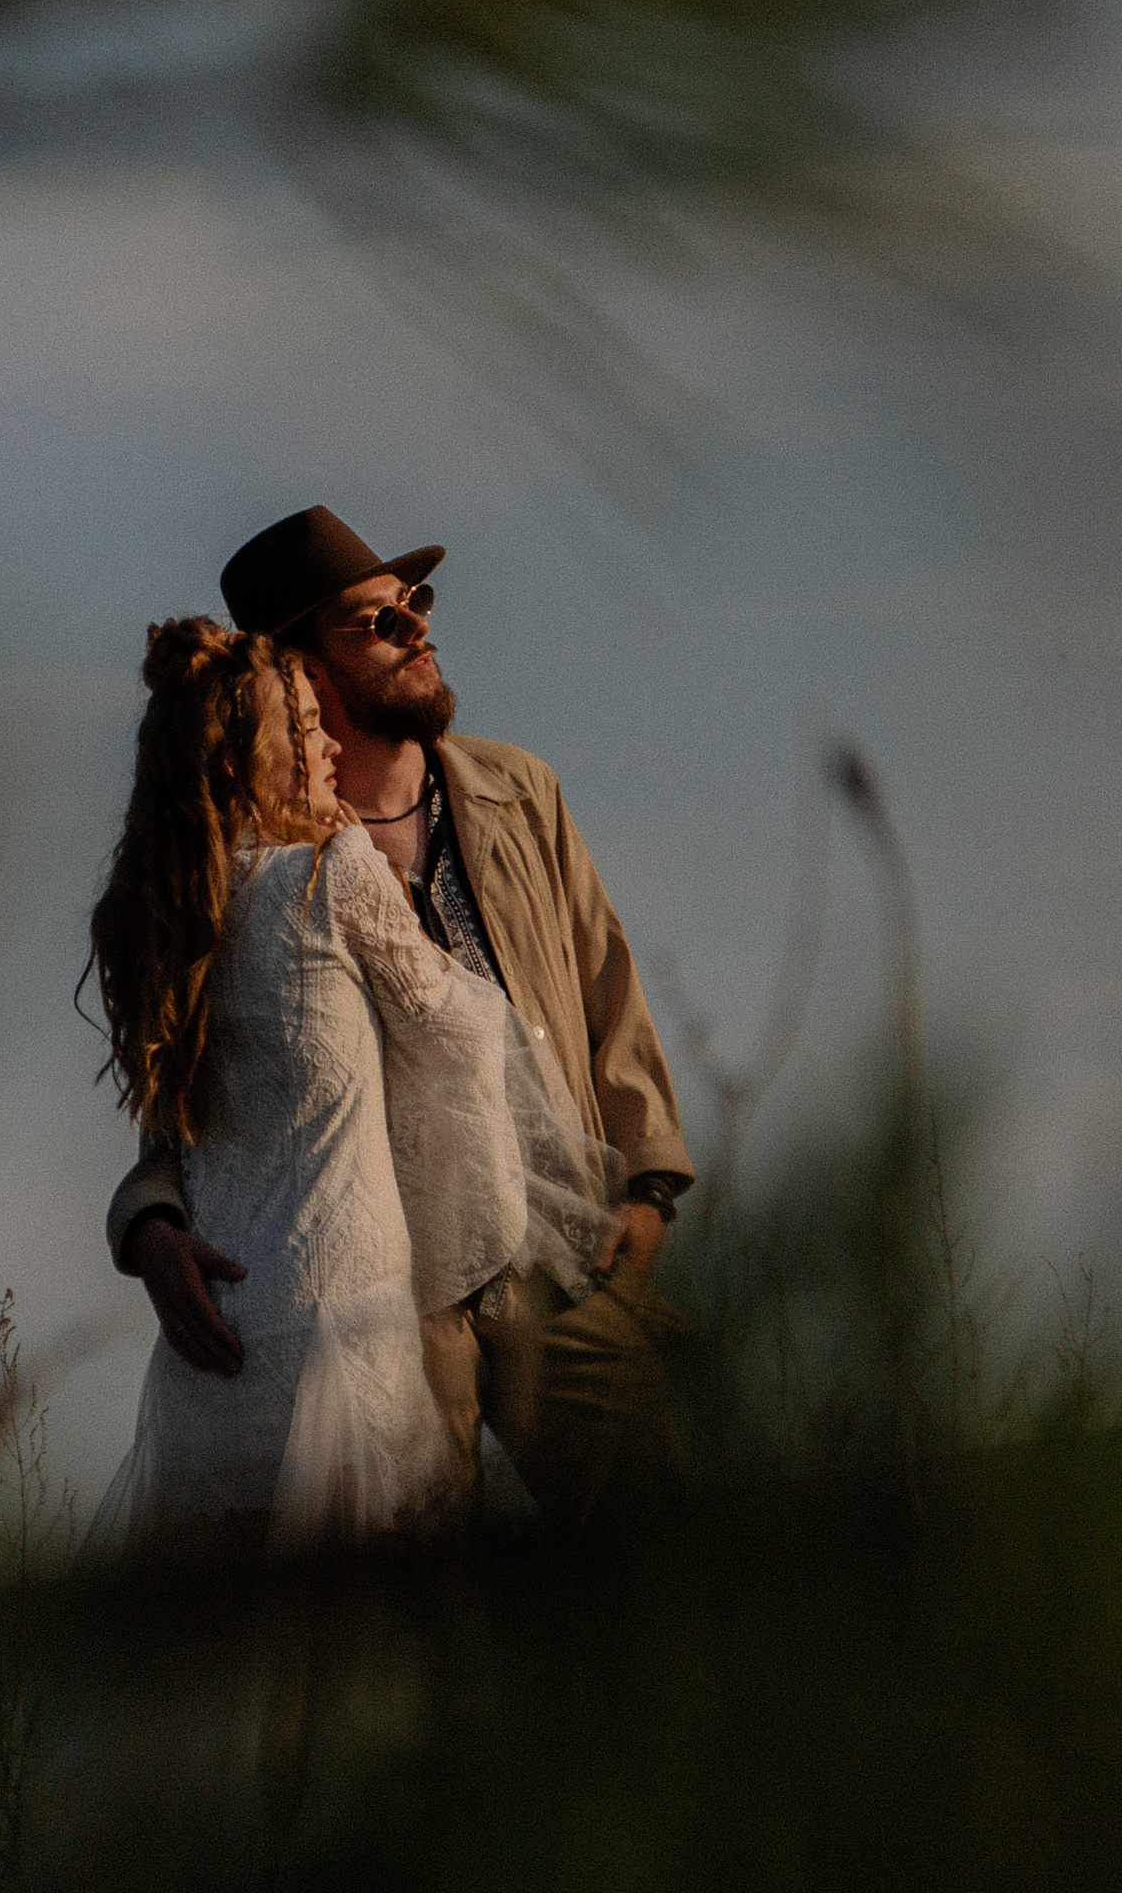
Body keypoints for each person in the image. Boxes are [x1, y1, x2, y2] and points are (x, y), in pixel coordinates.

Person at [109, 507, 695, 1528]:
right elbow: (193, 1085)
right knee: (430, 1618)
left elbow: (612, 996)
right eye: (374, 621)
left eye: (413, 604)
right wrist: (150, 1221)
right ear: (302, 670)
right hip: (390, 1305)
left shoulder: (519, 791)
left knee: (664, 1543)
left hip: (564, 1256)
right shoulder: (244, 871)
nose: (416, 628)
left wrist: (647, 1188)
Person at [83, 615, 538, 1551]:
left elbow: (175, 1127)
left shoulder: (167, 923)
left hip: (216, 1353)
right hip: (342, 1329)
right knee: (364, 1664)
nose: (331, 744)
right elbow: (463, 1025)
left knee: (238, 1660)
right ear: (262, 755)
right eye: (307, 728)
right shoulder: (331, 871)